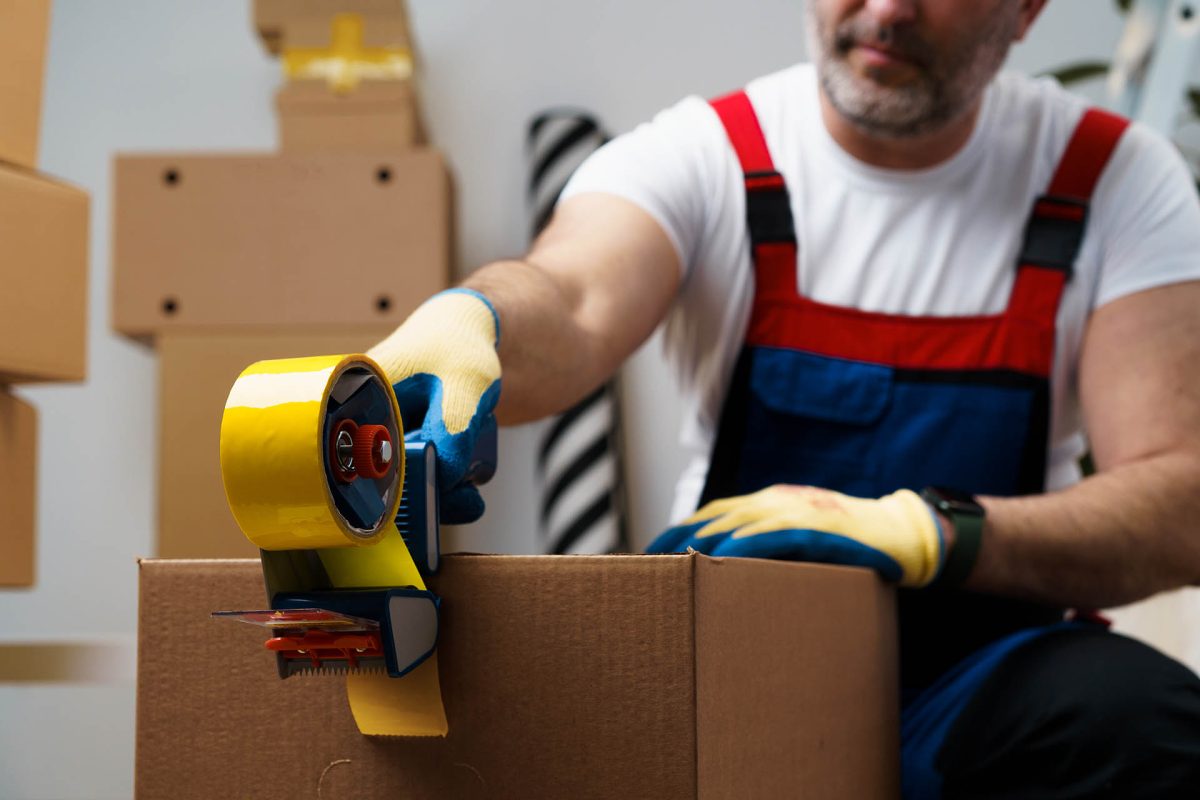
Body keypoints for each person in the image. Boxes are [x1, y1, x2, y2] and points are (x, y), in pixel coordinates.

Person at [367, 0, 1200, 795]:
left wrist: (932, 533)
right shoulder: (710, 152)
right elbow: (574, 297)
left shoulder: (1109, 177)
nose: (887, 10)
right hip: (738, 657)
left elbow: (1181, 501)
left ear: (1026, 12)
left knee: (1144, 721)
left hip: (985, 683)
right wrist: (477, 319)